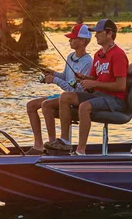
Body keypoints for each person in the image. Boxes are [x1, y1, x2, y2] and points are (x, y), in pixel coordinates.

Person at [50, 18, 129, 155]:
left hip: (114, 99)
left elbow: (121, 86)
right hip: (98, 95)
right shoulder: (98, 54)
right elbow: (94, 78)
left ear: (109, 33)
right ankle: (65, 142)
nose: (96, 35)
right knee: (65, 97)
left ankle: (80, 151)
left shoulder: (118, 55)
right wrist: (84, 78)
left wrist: (95, 83)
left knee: (84, 106)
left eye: (98, 32)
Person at [25, 23, 93, 155]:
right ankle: (38, 146)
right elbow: (66, 77)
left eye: (73, 38)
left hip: (75, 98)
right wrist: (53, 73)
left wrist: (54, 80)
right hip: (65, 95)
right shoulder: (70, 57)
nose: (70, 40)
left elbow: (76, 90)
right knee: (31, 105)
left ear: (83, 41)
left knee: (46, 104)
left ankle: (52, 144)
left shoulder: (88, 62)